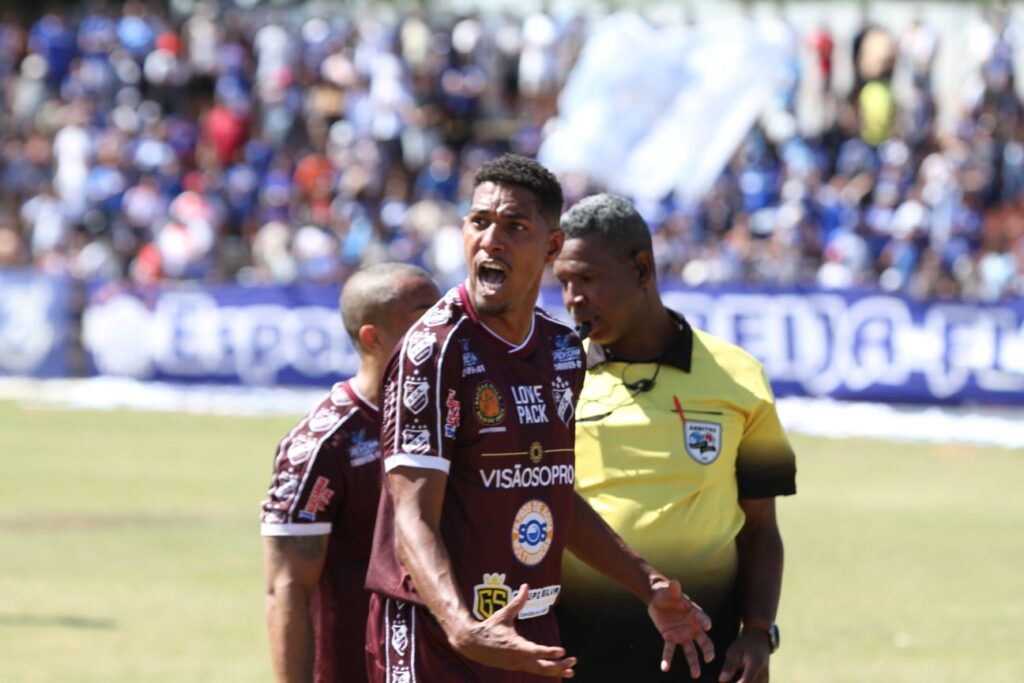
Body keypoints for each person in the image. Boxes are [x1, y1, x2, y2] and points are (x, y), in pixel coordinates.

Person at [364, 154, 715, 683]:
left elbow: (551, 492)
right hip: (436, 636)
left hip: (530, 629)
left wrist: (649, 584)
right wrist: (462, 627)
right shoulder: (433, 352)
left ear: (552, 247)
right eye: (480, 222)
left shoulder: (562, 350)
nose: (491, 239)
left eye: (515, 227)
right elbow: (410, 513)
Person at [552, 194, 797, 683]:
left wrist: (758, 630)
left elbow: (761, 528)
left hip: (704, 652)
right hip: (577, 652)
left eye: (589, 278)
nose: (573, 297)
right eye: (564, 282)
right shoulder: (554, 375)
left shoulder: (738, 377)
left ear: (641, 269)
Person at [260, 262, 441, 683]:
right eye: (423, 319)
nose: (440, 332)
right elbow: (287, 589)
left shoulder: (449, 418)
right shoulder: (323, 444)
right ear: (372, 338)